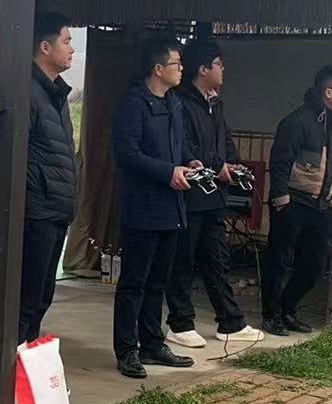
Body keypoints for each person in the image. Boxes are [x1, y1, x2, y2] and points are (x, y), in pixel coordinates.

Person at [165, 40, 265, 348]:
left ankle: (231, 322)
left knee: (217, 259)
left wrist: (232, 163)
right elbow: (184, 145)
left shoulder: (215, 102)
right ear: (203, 69)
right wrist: (215, 165)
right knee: (183, 260)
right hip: (191, 193)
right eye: (219, 64)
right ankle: (180, 324)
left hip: (214, 196)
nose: (223, 70)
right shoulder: (180, 101)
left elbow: (225, 139)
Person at [111, 34, 198, 379]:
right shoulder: (134, 105)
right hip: (143, 208)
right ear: (158, 69)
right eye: (176, 64)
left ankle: (152, 343)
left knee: (158, 282)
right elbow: (128, 155)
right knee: (134, 282)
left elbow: (179, 146)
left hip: (171, 208)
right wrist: (167, 172)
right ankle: (127, 349)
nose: (182, 69)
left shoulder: (175, 103)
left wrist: (189, 162)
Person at [261, 64, 332, 335]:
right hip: (293, 202)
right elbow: (279, 163)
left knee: (315, 264)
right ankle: (271, 315)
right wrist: (281, 201)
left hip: (321, 205)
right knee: (279, 260)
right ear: (328, 92)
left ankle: (288, 308)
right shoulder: (297, 122)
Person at [19, 12, 77, 344]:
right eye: (66, 41)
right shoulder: (27, 91)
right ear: (45, 47)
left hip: (56, 209)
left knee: (42, 298)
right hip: (37, 210)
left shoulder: (55, 93)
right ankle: (8, 365)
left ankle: (25, 361)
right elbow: (15, 152)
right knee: (26, 301)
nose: (72, 49)